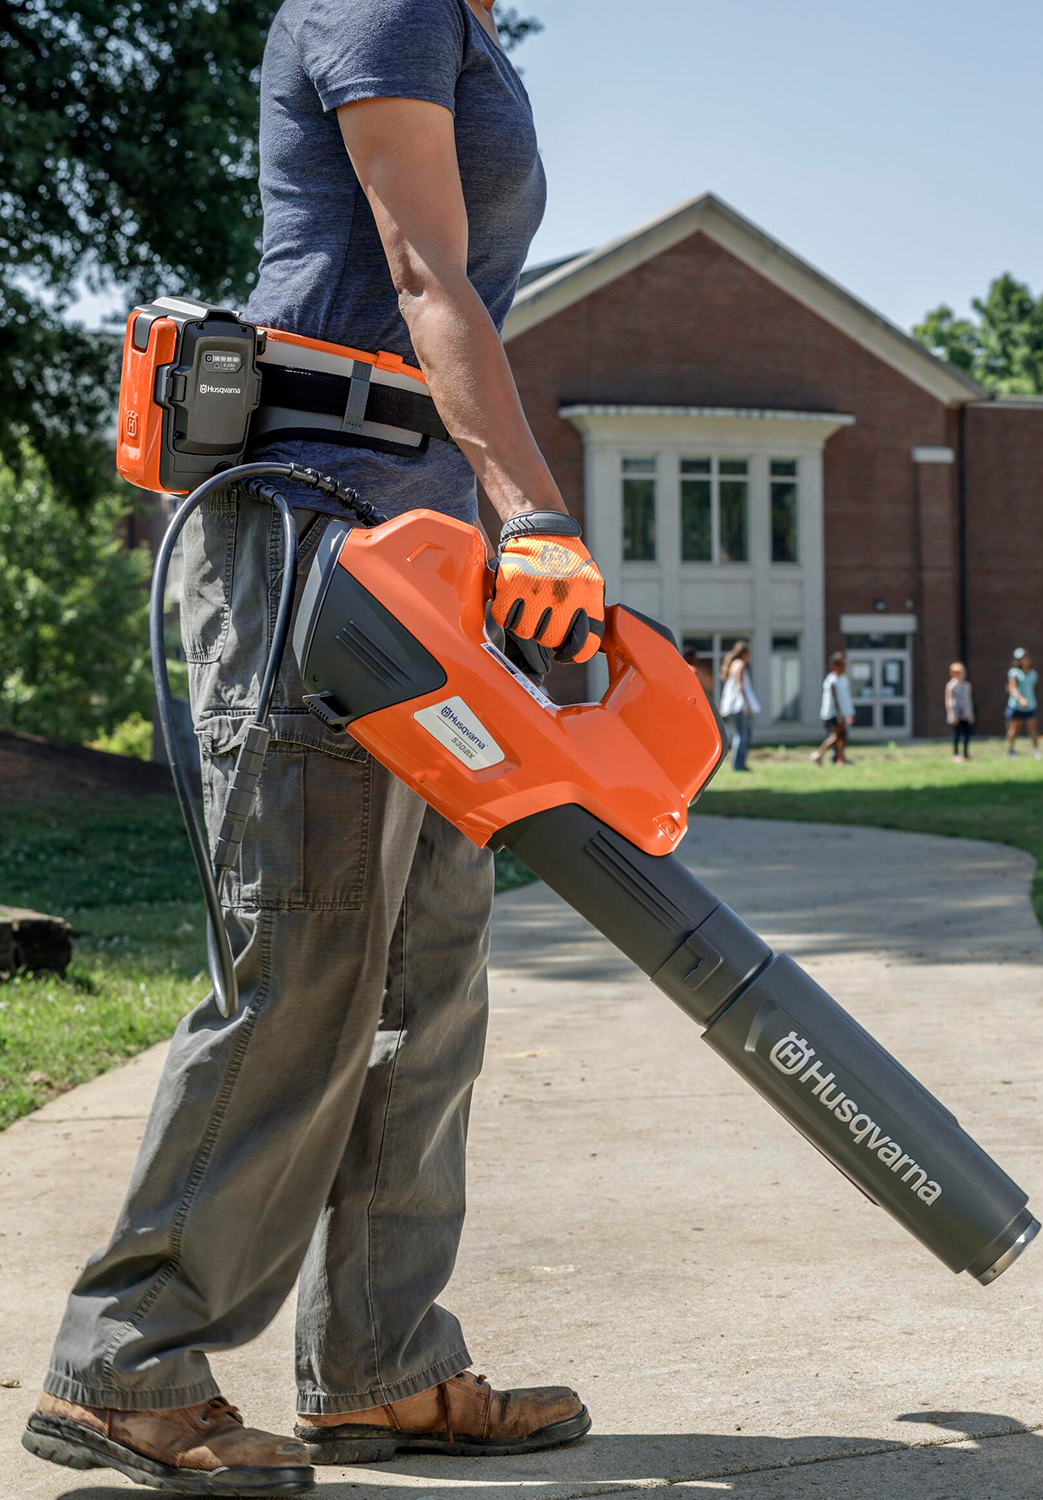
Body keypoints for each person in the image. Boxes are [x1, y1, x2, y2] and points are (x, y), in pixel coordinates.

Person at [25, 2, 599, 1493]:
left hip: (415, 555)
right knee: (311, 957)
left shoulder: (465, 24)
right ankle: (125, 1362)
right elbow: (418, 268)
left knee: (429, 971)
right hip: (315, 536)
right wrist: (535, 511)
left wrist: (489, 533)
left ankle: (381, 1365)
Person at [719, 641, 760, 772]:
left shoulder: (734, 664)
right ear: (744, 653)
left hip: (734, 706)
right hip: (739, 706)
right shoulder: (740, 664)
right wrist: (747, 705)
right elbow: (740, 685)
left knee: (741, 734)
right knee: (743, 734)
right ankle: (738, 764)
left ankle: (739, 763)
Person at [812, 651, 854, 765]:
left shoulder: (844, 678)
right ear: (834, 665)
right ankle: (827, 756)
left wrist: (849, 713)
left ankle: (838, 757)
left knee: (841, 736)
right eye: (840, 664)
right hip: (833, 713)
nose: (843, 667)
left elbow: (846, 698)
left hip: (843, 713)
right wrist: (839, 715)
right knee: (838, 736)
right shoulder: (832, 680)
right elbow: (835, 699)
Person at [1005, 648, 1041, 759]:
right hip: (1016, 706)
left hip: (1030, 705)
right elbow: (1011, 688)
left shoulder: (1033, 673)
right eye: (1021, 658)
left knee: (1032, 728)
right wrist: (1020, 699)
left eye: (1026, 657)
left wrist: (1027, 700)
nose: (1025, 660)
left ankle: (1036, 750)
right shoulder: (1014, 673)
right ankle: (1011, 750)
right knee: (1014, 729)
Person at [945, 661, 975, 761]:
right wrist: (951, 714)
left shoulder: (967, 685)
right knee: (956, 734)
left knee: (967, 734)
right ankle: (956, 754)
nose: (963, 674)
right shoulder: (951, 686)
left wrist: (971, 714)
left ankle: (966, 753)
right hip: (956, 713)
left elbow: (969, 700)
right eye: (960, 672)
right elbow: (949, 700)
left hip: (966, 713)